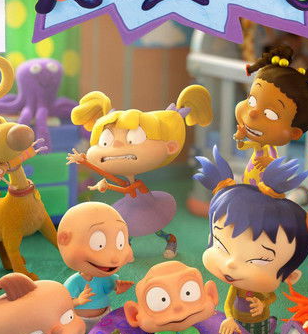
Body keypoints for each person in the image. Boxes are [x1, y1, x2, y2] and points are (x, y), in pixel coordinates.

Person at [194, 146, 308, 334]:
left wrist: (261, 303)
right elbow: (228, 304)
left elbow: (270, 297)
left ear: (291, 276)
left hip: (259, 320)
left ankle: (266, 332)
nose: (230, 264)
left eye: (259, 259)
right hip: (238, 319)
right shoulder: (236, 287)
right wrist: (229, 317)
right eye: (220, 245)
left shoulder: (258, 286)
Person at [67, 85, 212, 258]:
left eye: (133, 138)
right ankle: (126, 248)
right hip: (130, 209)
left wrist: (106, 186)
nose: (118, 145)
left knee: (156, 230)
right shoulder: (126, 179)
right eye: (106, 141)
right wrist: (84, 161)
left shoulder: (138, 184)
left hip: (147, 208)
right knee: (127, 230)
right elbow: (112, 178)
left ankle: (171, 240)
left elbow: (128, 189)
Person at [235, 43, 308, 186]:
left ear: (294, 133)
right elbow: (242, 146)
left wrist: (269, 163)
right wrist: (239, 136)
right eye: (251, 100)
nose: (253, 112)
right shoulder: (260, 145)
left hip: (264, 189)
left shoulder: (271, 150)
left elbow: (276, 165)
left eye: (270, 114)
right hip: (248, 183)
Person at [58, 201, 134, 332]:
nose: (114, 258)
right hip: (80, 320)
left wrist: (119, 286)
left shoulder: (106, 277)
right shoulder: (74, 282)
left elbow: (114, 286)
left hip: (103, 317)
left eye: (120, 243)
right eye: (99, 244)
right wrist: (78, 301)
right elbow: (66, 303)